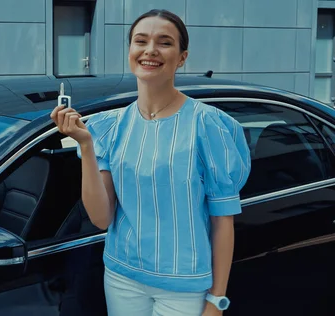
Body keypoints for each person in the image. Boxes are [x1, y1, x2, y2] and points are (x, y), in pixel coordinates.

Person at [50, 9, 251, 316]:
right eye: (140, 41)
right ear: (131, 51)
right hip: (121, 277)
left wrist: (216, 300)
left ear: (182, 57)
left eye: (164, 42)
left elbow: (222, 222)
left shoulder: (208, 125)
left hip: (184, 286)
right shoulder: (108, 127)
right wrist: (86, 146)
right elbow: (102, 218)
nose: (150, 50)